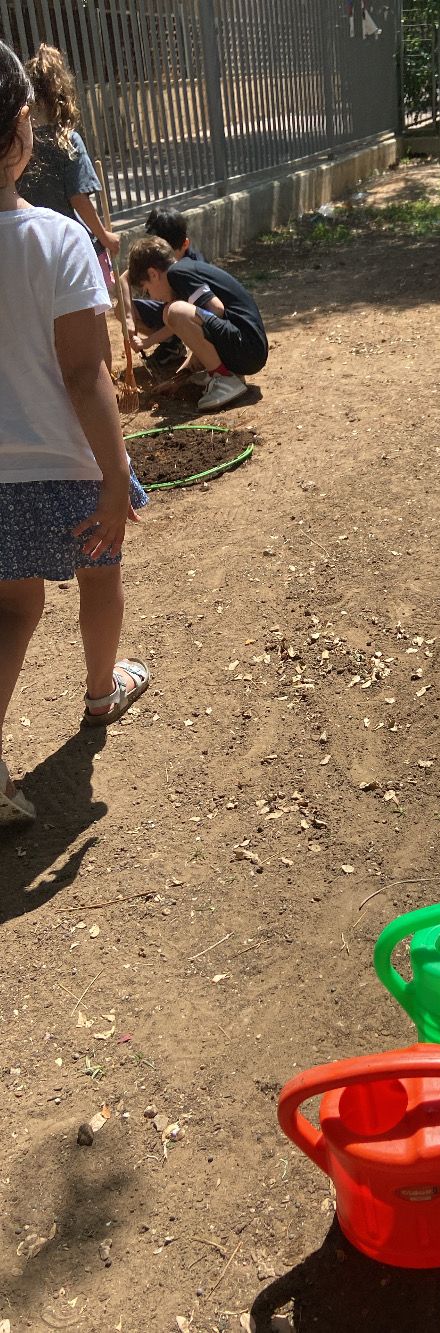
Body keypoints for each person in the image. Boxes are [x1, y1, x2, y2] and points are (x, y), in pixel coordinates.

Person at [0, 42, 149, 824]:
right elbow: (86, 374)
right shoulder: (59, 240)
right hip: (70, 466)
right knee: (100, 577)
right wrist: (115, 475)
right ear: (22, 126)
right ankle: (100, 693)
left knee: (10, 611)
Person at [127, 235, 269, 411]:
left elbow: (216, 309)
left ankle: (223, 379)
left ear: (153, 274)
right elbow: (205, 330)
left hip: (247, 348)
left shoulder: (177, 273)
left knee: (174, 311)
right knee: (171, 312)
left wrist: (149, 341)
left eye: (147, 290)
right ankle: (224, 374)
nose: (153, 297)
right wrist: (181, 377)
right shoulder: (184, 269)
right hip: (247, 349)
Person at [19, 44, 118, 291]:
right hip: (68, 249)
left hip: (30, 249)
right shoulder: (68, 140)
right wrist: (105, 237)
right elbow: (78, 199)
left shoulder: (18, 145)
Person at [120, 208, 207, 368]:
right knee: (121, 308)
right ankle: (172, 346)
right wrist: (128, 317)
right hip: (168, 313)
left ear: (184, 245)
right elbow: (124, 278)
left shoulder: (190, 270)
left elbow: (182, 316)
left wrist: (147, 342)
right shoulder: (158, 257)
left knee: (174, 312)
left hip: (191, 319)